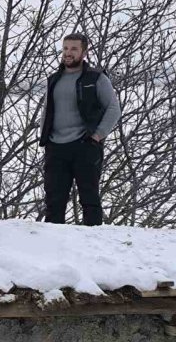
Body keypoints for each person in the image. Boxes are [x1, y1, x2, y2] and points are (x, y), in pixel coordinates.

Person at [39, 33, 121, 226]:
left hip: (85, 145)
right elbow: (46, 110)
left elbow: (113, 108)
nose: (68, 53)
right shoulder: (54, 79)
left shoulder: (96, 78)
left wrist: (98, 136)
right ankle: (52, 248)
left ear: (84, 52)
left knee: (89, 200)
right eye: (66, 48)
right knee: (54, 202)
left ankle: (93, 247)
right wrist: (45, 139)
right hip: (56, 147)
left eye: (74, 49)